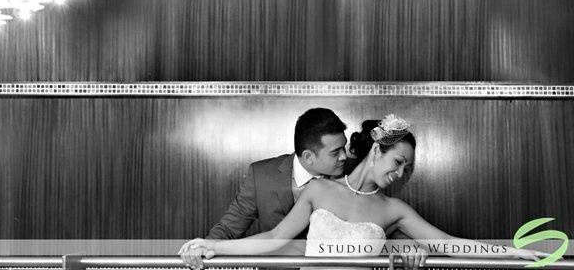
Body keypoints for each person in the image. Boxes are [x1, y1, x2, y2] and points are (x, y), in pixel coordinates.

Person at [179, 114, 542, 268]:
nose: (400, 173)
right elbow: (274, 238)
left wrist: (510, 252)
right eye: (398, 161)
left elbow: (450, 243)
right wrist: (211, 245)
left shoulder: (394, 210)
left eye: (407, 169)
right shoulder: (318, 190)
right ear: (377, 150)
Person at [206, 107, 349, 240]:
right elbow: (228, 228)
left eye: (344, 147)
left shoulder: (353, 174)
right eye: (336, 152)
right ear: (308, 157)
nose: (344, 156)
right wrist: (201, 249)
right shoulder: (261, 176)